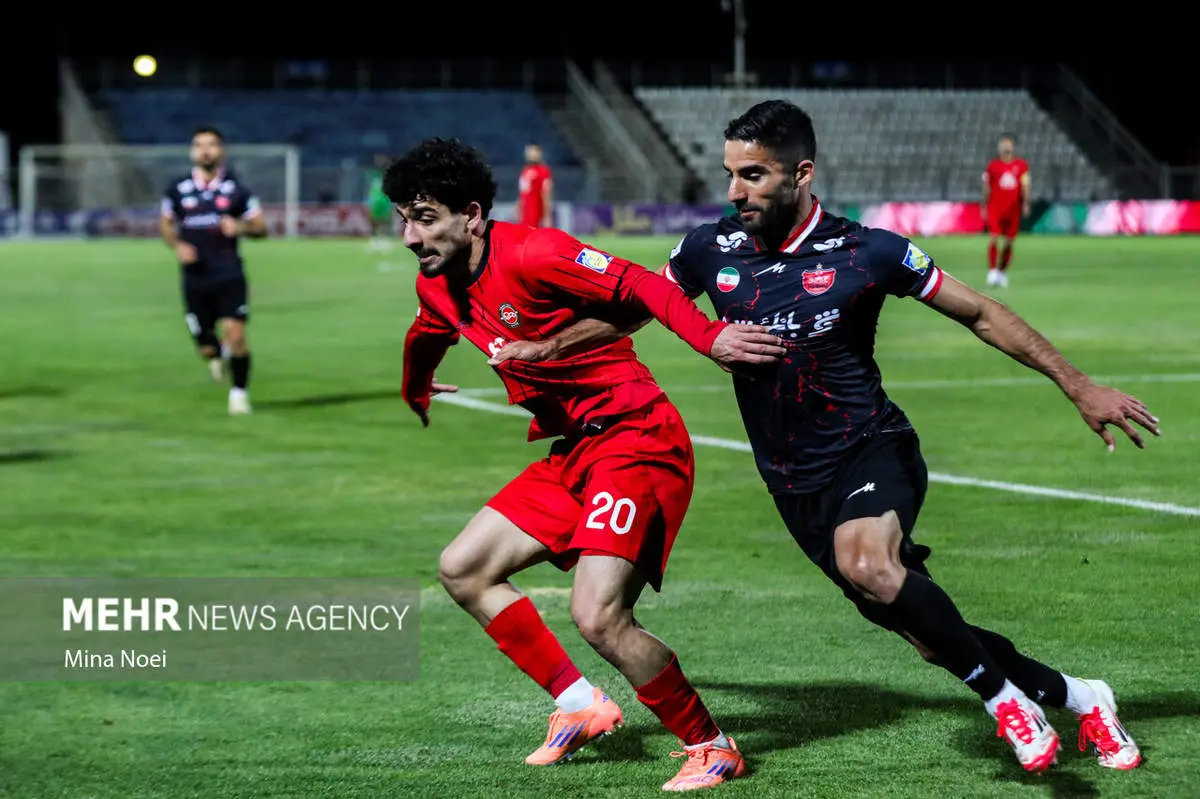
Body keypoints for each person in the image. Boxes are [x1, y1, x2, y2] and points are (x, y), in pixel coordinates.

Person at [490, 101, 1155, 775]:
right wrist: (542, 349)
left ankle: (1005, 699)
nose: (734, 191)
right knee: (926, 634)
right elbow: (634, 310)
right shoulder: (708, 250)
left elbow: (980, 312)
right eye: (729, 174)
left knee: (868, 562)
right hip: (791, 481)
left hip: (872, 446)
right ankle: (1083, 695)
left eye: (752, 175)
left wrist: (1078, 384)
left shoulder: (868, 250)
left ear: (801, 173)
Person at [388, 137, 785, 790]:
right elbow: (424, 333)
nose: (409, 234)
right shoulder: (436, 283)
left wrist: (711, 337)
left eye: (424, 216)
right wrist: (417, 387)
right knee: (463, 568)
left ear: (473, 214)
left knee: (598, 614)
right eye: (403, 216)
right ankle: (579, 705)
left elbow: (642, 285)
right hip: (574, 452)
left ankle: (711, 745)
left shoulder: (534, 251)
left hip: (637, 438)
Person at [159, 126, 266, 415]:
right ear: (192, 151)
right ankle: (215, 354)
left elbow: (261, 227)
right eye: (199, 145)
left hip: (229, 273)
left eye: (211, 145)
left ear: (221, 150)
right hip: (195, 277)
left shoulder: (237, 190)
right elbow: (166, 224)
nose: (205, 150)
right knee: (206, 345)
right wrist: (178, 245)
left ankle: (239, 393)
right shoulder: (177, 189)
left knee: (236, 334)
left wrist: (241, 226)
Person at [982, 134, 1030, 288]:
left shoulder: (1021, 166)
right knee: (994, 237)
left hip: (1013, 209)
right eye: (1003, 144)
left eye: (1008, 144)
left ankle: (1001, 272)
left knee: (1009, 242)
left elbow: (1025, 185)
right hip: (995, 208)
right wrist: (983, 204)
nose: (1005, 147)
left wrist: (1026, 203)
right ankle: (992, 271)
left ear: (1013, 146)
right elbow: (987, 187)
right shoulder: (993, 166)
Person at [517, 143, 553, 228]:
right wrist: (518, 210)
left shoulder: (544, 171)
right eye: (529, 151)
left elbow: (546, 194)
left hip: (536, 215)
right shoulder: (525, 170)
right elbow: (522, 194)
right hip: (525, 215)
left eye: (533, 151)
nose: (530, 153)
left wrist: (546, 216)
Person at [365, 153, 394, 252]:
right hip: (375, 201)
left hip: (384, 201)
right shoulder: (373, 174)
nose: (379, 161)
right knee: (374, 221)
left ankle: (385, 240)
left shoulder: (387, 173)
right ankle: (374, 240)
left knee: (385, 221)